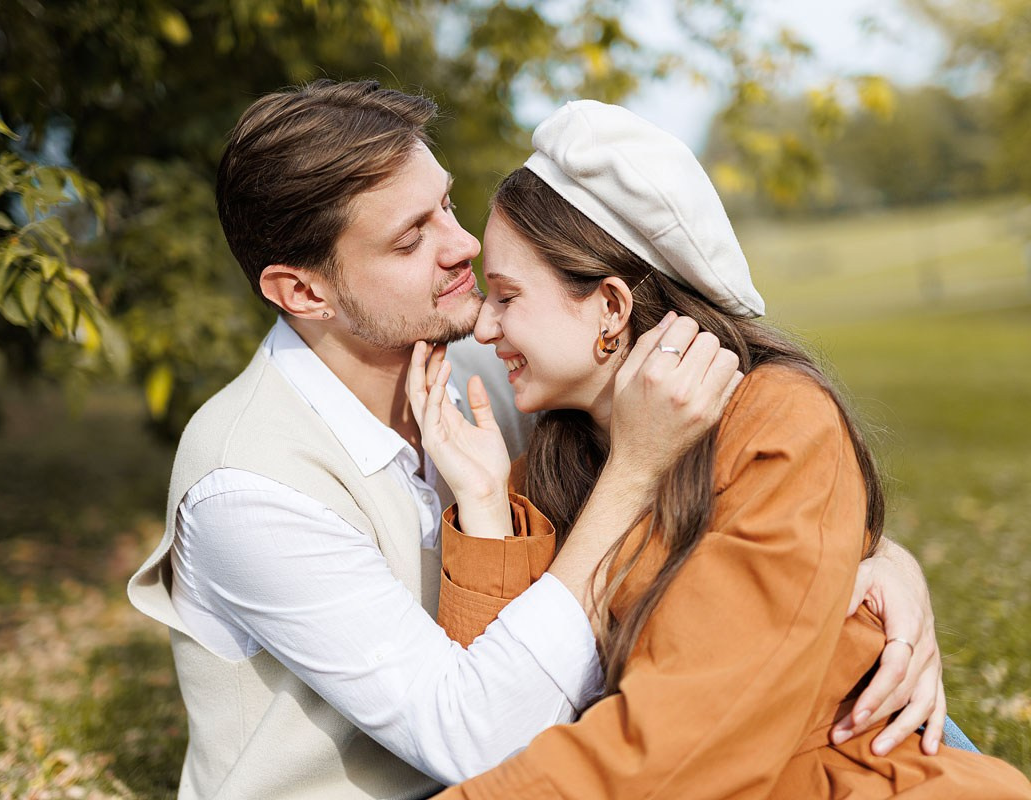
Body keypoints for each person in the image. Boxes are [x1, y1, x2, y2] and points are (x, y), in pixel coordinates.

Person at [126, 80, 948, 800]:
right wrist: (632, 470)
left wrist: (881, 564)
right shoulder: (248, 484)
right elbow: (474, 738)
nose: (464, 248)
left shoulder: (494, 371)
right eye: (412, 239)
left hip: (562, 758)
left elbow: (758, 493)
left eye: (445, 203)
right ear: (301, 289)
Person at [409, 99, 1031, 798]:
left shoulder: (777, 422)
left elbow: (697, 732)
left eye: (507, 296)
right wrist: (488, 505)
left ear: (611, 308)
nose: (484, 329)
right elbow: (496, 725)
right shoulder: (548, 467)